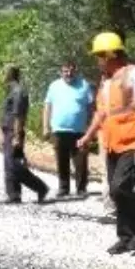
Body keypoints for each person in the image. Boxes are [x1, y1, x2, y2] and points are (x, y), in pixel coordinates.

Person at [77, 31, 135, 254]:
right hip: (113, 142)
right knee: (115, 191)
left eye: (99, 56)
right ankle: (125, 236)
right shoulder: (106, 81)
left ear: (110, 54)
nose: (97, 61)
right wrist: (88, 136)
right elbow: (101, 114)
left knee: (120, 187)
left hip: (133, 141)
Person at [42, 61, 94, 198]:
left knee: (81, 161)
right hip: (59, 130)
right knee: (61, 160)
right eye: (65, 71)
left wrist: (91, 129)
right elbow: (47, 106)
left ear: (75, 71)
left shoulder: (84, 85)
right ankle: (63, 188)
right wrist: (45, 127)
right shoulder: (54, 86)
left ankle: (81, 189)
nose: (68, 73)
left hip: (79, 131)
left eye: (71, 71)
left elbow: (91, 108)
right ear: (61, 72)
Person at [0, 65, 50, 205]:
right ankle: (14, 195)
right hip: (8, 131)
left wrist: (16, 136)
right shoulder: (11, 91)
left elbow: (18, 117)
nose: (1, 75)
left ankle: (41, 188)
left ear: (10, 74)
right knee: (9, 164)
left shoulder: (18, 92)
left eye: (3, 72)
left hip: (14, 132)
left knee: (15, 165)